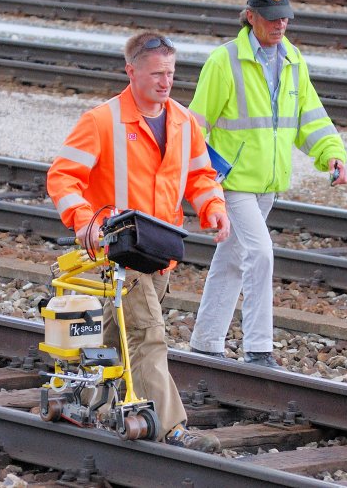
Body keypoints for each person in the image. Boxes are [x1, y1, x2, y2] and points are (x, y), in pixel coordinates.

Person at [46, 31, 230, 451]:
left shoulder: (183, 121)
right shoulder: (102, 120)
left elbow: (201, 176)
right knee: (148, 335)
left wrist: (212, 207)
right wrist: (84, 219)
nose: (165, 82)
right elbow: (63, 176)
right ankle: (173, 428)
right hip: (116, 254)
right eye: (156, 74)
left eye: (171, 73)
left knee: (116, 336)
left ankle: (79, 400)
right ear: (131, 72)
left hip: (160, 255)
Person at [188, 0, 347, 368]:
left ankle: (205, 342)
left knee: (231, 260)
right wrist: (204, 179)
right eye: (273, 18)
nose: (281, 25)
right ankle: (259, 349)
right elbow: (195, 125)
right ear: (250, 17)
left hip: (269, 184)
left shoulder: (293, 60)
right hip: (234, 182)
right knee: (260, 255)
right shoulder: (224, 61)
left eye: (286, 17)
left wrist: (331, 154)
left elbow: (310, 118)